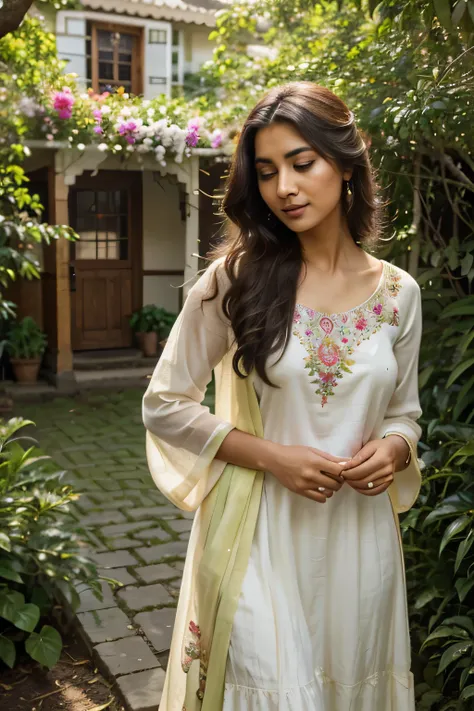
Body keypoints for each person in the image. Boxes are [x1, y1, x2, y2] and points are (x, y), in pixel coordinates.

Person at [142, 81, 423, 711]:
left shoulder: (399, 295)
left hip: (359, 541)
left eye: (302, 163)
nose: (285, 188)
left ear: (346, 164)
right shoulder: (237, 280)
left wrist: (398, 447)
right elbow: (164, 402)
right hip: (258, 533)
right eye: (267, 172)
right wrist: (272, 457)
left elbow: (405, 410)